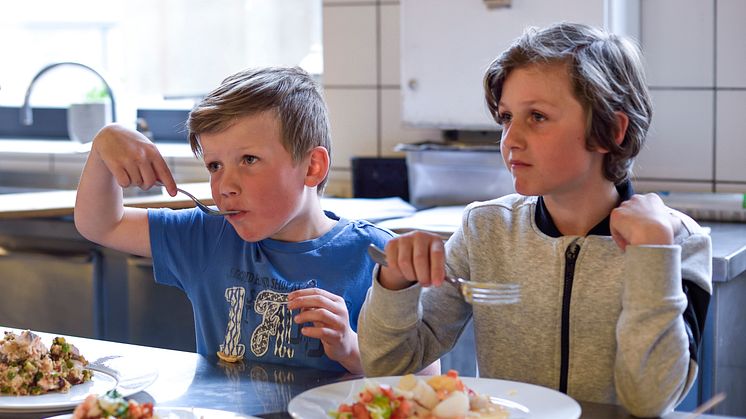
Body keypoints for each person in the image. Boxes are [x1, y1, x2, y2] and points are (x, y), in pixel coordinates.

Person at [357, 22, 712, 417]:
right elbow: (387, 364)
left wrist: (652, 253)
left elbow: (650, 400)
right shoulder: (485, 229)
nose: (510, 139)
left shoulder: (676, 242)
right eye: (507, 116)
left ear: (610, 130)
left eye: (537, 117)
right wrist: (395, 283)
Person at [74, 67, 393, 374]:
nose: (226, 185)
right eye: (214, 166)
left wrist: (351, 348)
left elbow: (423, 379)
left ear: (312, 167)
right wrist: (105, 144)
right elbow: (102, 224)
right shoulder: (205, 236)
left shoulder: (378, 256)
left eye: (249, 160)